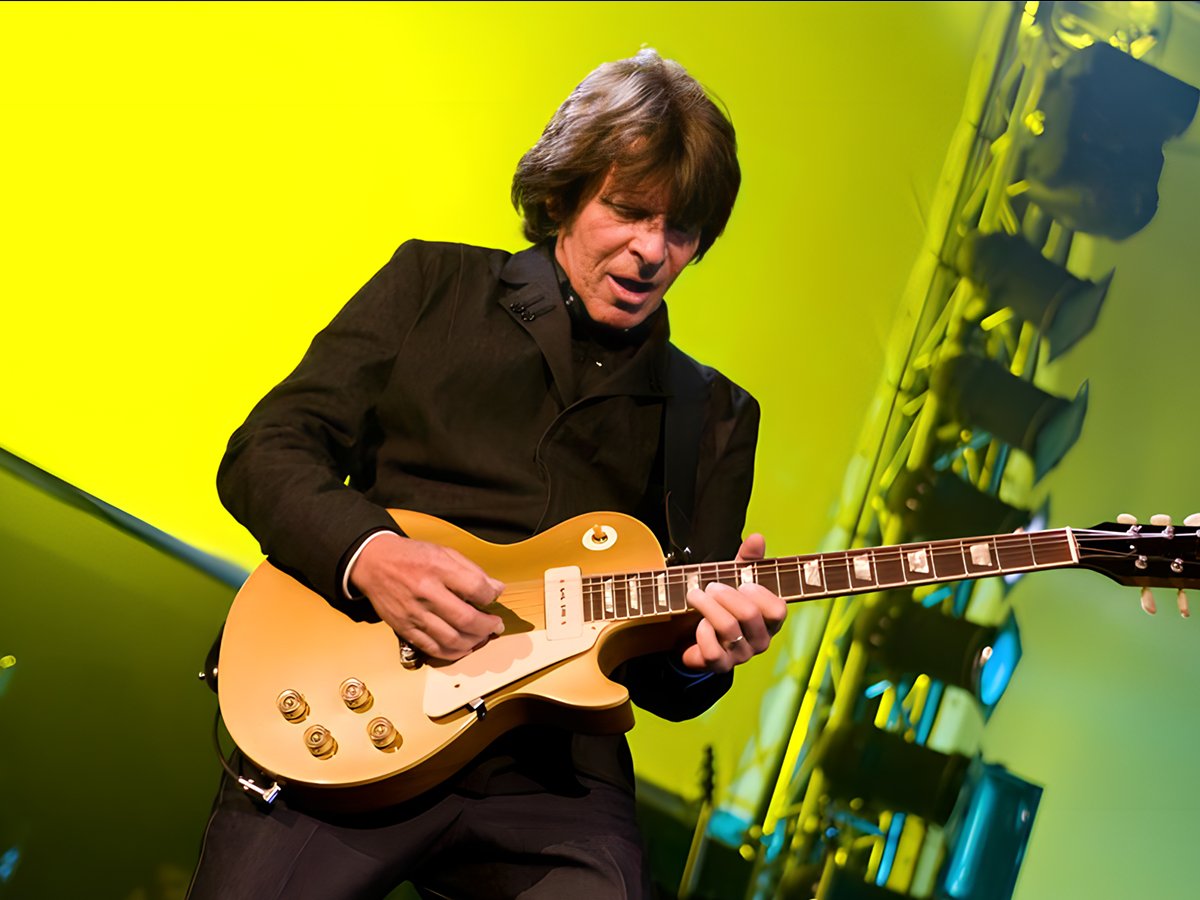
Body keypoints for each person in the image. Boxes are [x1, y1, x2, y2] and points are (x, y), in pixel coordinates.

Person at [187, 48, 786, 900]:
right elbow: (266, 450)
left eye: (681, 230)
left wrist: (706, 656)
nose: (652, 250)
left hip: (549, 776)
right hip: (352, 704)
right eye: (627, 211)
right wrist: (372, 555)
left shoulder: (716, 415)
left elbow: (667, 679)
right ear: (562, 194)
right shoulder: (433, 283)